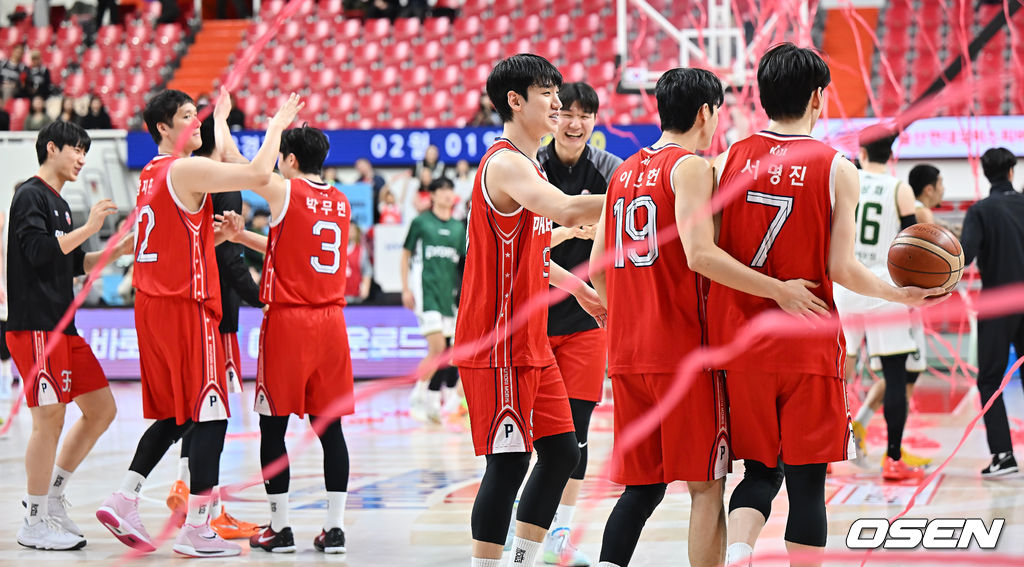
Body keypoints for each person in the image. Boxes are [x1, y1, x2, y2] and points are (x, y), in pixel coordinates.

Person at [698, 43, 940, 567]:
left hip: (741, 342)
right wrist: (898, 294)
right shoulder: (837, 168)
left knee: (759, 473)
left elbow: (706, 254)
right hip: (807, 345)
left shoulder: (725, 159)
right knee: (808, 484)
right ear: (817, 97)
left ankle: (738, 556)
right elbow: (842, 269)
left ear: (763, 95)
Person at [95, 89, 300, 558]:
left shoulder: (151, 174)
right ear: (163, 128)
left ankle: (125, 497)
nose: (198, 123)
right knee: (212, 413)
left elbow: (177, 239)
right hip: (183, 307)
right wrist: (275, 126)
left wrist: (221, 235)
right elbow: (257, 173)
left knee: (178, 414)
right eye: (188, 116)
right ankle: (197, 527)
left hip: (152, 305)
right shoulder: (183, 169)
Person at [453, 53, 606, 567]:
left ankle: (522, 558)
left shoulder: (530, 164)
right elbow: (564, 208)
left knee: (563, 452)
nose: (558, 105)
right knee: (509, 464)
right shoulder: (505, 163)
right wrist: (639, 191)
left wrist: (578, 288)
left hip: (530, 339)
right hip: (498, 341)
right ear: (515, 101)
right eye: (548, 94)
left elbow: (533, 251)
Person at [589, 68, 730, 567]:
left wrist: (623, 316)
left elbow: (597, 266)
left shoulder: (622, 171)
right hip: (683, 353)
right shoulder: (691, 167)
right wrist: (776, 290)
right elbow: (700, 255)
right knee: (706, 486)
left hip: (628, 353)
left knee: (642, 488)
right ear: (705, 112)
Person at [214, 93, 355, 555]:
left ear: (290, 160)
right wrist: (242, 235)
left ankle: (280, 528)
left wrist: (225, 118)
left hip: (290, 323)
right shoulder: (340, 201)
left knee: (272, 428)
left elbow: (234, 158)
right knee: (330, 429)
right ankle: (335, 529)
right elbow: (292, 245)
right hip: (332, 324)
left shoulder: (284, 189)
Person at [8, 121, 132, 550]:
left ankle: (54, 497)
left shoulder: (60, 204)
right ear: (51, 148)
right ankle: (33, 520)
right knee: (49, 420)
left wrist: (116, 249)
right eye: (76, 149)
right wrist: (92, 225)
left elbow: (74, 263)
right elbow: (39, 252)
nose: (81, 158)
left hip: (64, 326)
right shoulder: (30, 195)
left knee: (101, 410)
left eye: (85, 151)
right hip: (36, 326)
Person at [163, 109, 262, 539]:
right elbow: (229, 256)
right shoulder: (220, 185)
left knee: (199, 407)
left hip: (189, 303)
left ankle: (185, 485)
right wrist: (262, 296)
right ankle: (206, 507)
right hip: (214, 308)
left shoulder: (182, 177)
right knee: (212, 410)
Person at [535, 81, 622, 567]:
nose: (575, 123)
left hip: (588, 320)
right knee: (528, 434)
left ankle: (559, 535)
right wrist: (568, 231)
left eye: (585, 115)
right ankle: (524, 524)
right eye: (566, 113)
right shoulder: (530, 166)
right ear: (553, 117)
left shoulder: (610, 171)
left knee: (577, 432)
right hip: (530, 319)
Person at [833, 132, 928, 480]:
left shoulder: (846, 178)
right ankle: (893, 459)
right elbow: (912, 245)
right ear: (891, 153)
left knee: (837, 373)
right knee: (895, 375)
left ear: (861, 152)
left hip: (845, 283)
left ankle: (826, 454)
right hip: (883, 289)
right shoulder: (899, 188)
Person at [961, 147, 1024, 477]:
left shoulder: (981, 211)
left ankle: (1003, 456)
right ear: (1011, 171)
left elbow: (965, 255)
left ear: (986, 174)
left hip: (998, 304)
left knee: (989, 379)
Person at [403, 177, 467, 424]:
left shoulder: (458, 228)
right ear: (432, 195)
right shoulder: (421, 222)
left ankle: (432, 402)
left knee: (448, 353)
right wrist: (406, 288)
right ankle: (417, 396)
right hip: (425, 292)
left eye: (450, 190)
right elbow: (405, 254)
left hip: (448, 296)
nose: (447, 194)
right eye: (442, 190)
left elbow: (462, 265)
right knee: (438, 347)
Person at [353, 157, 386, 222]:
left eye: (362, 166)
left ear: (368, 165)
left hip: (378, 213)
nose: (361, 169)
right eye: (359, 168)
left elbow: (383, 193)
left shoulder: (379, 179)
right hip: (364, 214)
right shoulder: (358, 181)